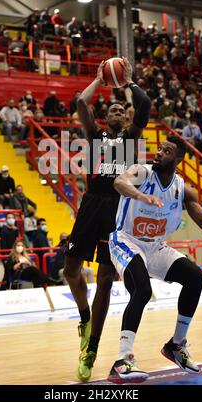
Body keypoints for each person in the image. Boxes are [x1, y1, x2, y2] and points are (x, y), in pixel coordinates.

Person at [107, 135, 202, 383]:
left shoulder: (182, 189)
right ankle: (122, 360)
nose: (159, 153)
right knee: (143, 290)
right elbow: (119, 182)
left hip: (155, 247)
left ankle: (176, 345)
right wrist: (140, 196)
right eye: (159, 149)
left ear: (178, 159)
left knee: (195, 276)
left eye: (166, 151)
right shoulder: (141, 172)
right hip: (125, 240)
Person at [63, 57, 151, 381]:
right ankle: (84, 318)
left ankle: (91, 351)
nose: (116, 113)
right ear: (105, 117)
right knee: (70, 270)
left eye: (120, 111)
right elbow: (80, 102)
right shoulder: (95, 136)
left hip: (118, 211)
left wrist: (126, 82)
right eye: (111, 110)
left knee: (103, 280)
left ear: (126, 117)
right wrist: (101, 79)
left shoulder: (132, 138)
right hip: (90, 205)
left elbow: (145, 104)